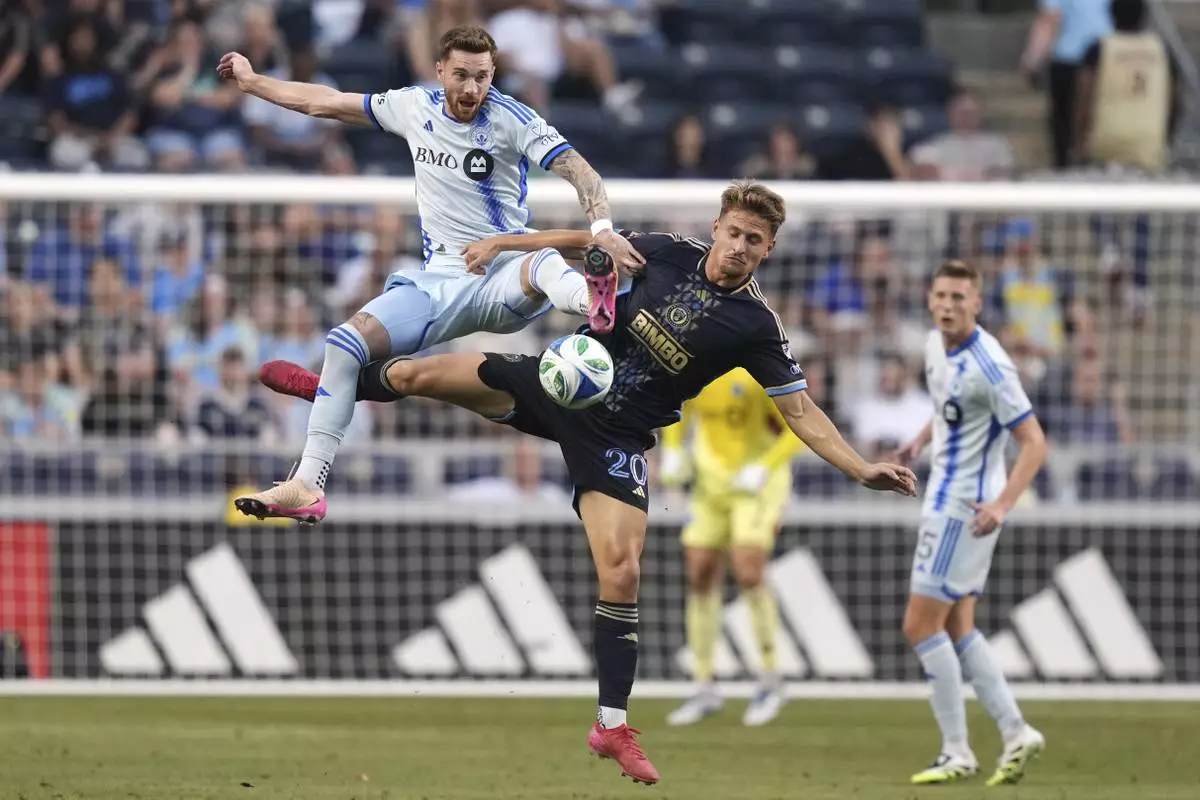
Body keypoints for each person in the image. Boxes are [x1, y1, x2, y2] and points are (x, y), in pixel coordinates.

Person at [247, 181, 919, 786]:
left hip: (617, 438)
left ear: (767, 250)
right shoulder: (668, 251)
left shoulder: (756, 327)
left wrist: (860, 467)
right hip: (556, 382)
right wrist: (508, 242)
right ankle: (329, 390)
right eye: (734, 231)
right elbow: (588, 239)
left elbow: (798, 409)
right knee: (417, 375)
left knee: (622, 572)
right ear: (718, 226)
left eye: (754, 241)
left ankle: (612, 724)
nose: (739, 246)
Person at [217, 24, 644, 523]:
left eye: (482, 77)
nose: (470, 89)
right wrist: (252, 82)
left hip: (505, 274)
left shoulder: (513, 119)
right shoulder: (412, 106)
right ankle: (308, 485)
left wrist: (604, 227)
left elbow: (580, 170)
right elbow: (323, 101)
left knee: (543, 263)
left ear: (493, 74)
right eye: (460, 75)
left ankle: (593, 301)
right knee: (343, 343)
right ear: (440, 70)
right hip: (440, 279)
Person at [891, 260, 1048, 787]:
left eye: (960, 297)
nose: (949, 305)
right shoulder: (937, 346)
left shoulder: (991, 365)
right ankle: (1015, 731)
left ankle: (956, 749)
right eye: (941, 295)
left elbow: (1034, 443)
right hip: (946, 497)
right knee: (958, 626)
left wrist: (1003, 504)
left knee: (919, 625)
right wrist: (918, 441)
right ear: (930, 299)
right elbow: (949, 409)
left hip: (965, 508)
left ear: (977, 304)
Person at [658, 367, 802, 728]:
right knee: (700, 573)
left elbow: (796, 428)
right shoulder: (697, 365)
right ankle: (703, 685)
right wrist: (673, 449)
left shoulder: (757, 371)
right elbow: (678, 409)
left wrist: (765, 466)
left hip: (756, 483)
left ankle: (770, 681)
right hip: (711, 485)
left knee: (748, 569)